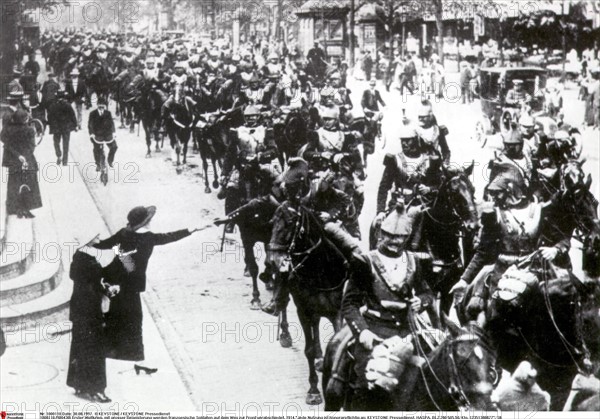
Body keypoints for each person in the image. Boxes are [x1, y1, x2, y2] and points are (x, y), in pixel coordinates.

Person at [93, 206, 208, 372]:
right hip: (129, 284)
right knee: (134, 318)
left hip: (114, 279)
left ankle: (112, 350)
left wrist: (91, 244)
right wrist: (191, 230)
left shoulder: (124, 232)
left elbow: (105, 244)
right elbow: (167, 238)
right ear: (144, 223)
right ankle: (133, 356)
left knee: (116, 316)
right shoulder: (147, 238)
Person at [342, 204, 434, 410]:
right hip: (376, 330)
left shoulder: (414, 261)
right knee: (368, 382)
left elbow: (428, 293)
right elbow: (349, 304)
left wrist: (422, 301)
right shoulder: (365, 262)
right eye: (390, 236)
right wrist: (362, 331)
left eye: (401, 237)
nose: (395, 241)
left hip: (409, 331)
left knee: (436, 373)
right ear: (380, 234)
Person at [66, 232, 116, 403]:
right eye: (96, 235)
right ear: (87, 238)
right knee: (95, 348)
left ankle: (78, 383)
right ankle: (96, 389)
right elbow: (91, 283)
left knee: (80, 345)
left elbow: (87, 280)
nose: (99, 237)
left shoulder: (80, 256)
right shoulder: (85, 259)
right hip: (89, 310)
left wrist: (102, 286)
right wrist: (104, 291)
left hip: (80, 308)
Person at [0, 110, 42, 218]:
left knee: (14, 184)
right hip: (28, 160)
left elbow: (6, 144)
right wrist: (25, 158)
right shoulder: (30, 130)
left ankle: (14, 208)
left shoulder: (10, 129)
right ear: (25, 119)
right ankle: (26, 207)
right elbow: (32, 146)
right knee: (29, 183)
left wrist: (18, 156)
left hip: (14, 161)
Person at [48, 90, 78, 166]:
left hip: (56, 128)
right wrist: (75, 125)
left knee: (56, 142)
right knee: (66, 144)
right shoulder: (68, 105)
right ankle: (65, 161)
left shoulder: (53, 105)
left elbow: (49, 117)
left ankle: (58, 155)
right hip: (66, 128)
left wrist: (51, 126)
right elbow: (73, 115)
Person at [88, 97, 117, 171]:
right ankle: (98, 164)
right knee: (96, 149)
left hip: (107, 134)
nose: (101, 107)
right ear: (97, 105)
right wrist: (92, 133)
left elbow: (111, 123)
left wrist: (113, 132)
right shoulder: (93, 114)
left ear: (104, 105)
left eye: (102, 105)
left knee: (114, 146)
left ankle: (110, 160)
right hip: (97, 135)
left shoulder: (108, 113)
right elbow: (90, 124)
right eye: (99, 105)